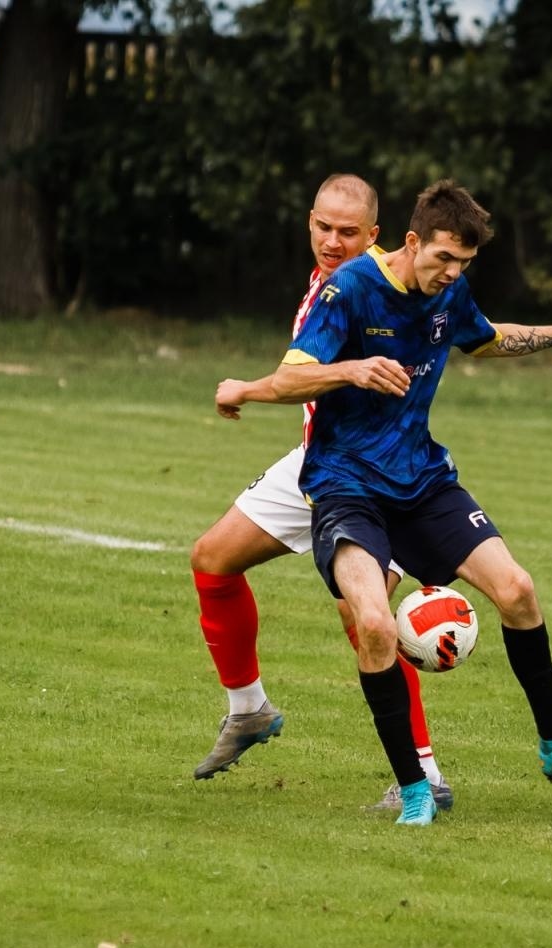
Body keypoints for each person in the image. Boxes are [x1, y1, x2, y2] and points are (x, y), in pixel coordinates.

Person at [270, 179, 552, 825]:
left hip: (421, 480)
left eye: (463, 264)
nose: (450, 273)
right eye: (442, 258)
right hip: (345, 486)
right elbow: (289, 376)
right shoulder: (350, 289)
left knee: (518, 590)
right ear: (410, 242)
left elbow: (486, 337)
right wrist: (354, 369)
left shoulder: (450, 290)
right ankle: (416, 787)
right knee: (375, 624)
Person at [190, 173, 453, 810]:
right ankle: (248, 710)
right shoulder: (327, 285)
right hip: (314, 463)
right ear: (310, 220)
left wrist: (253, 388)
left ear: (376, 236)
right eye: (323, 227)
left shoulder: (389, 293)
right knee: (212, 560)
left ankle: (426, 777)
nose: (332, 241)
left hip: (375, 477)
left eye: (348, 232)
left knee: (365, 620)